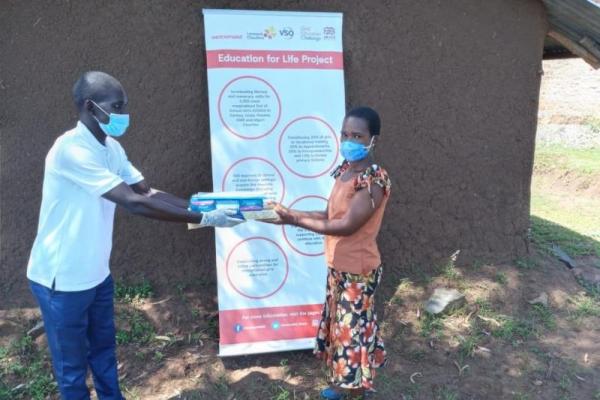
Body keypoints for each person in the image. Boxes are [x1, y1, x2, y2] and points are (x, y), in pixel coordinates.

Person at [26, 71, 244, 400]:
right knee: (71, 370)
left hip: (97, 275)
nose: (124, 113)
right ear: (89, 107)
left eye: (125, 104)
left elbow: (148, 191)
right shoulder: (70, 150)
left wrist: (202, 206)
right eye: (117, 105)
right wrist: (201, 216)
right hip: (61, 280)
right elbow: (134, 203)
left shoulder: (112, 148)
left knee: (104, 354)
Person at [270, 107, 391, 400]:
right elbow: (329, 213)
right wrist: (288, 212)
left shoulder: (373, 180)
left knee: (354, 336)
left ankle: (356, 391)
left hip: (358, 271)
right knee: (341, 329)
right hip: (339, 267)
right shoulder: (347, 172)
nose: (349, 140)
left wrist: (293, 219)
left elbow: (346, 226)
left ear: (373, 139)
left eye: (357, 135)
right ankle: (342, 385)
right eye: (345, 134)